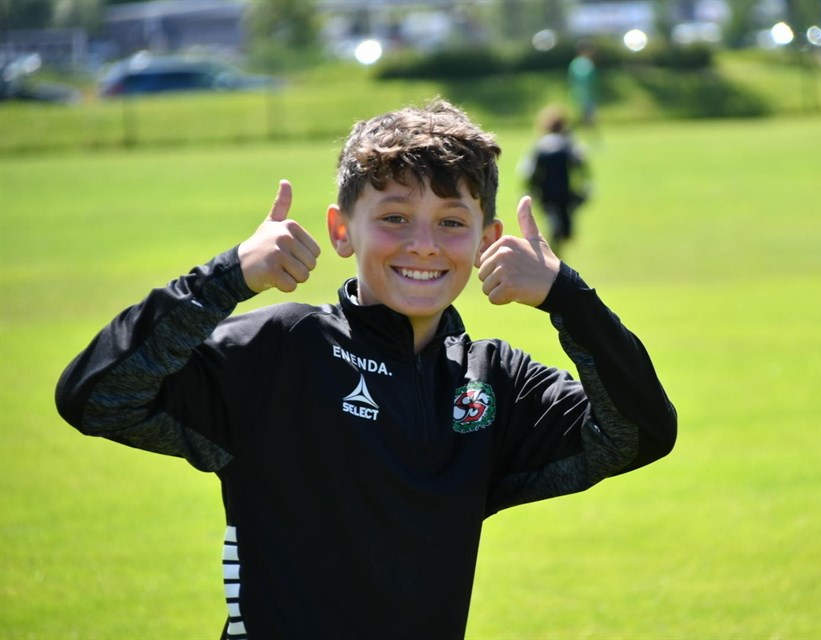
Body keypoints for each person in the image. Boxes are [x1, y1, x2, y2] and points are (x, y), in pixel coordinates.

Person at [55, 99, 676, 639]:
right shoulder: (281, 349)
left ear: (486, 240)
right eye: (394, 217)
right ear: (341, 230)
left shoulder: (492, 383)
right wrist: (226, 277)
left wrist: (568, 297)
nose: (423, 244)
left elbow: (638, 433)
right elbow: (97, 396)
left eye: (451, 223)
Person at [522, 105, 591, 258]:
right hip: (565, 193)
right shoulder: (568, 144)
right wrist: (584, 189)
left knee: (554, 223)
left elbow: (528, 171)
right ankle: (555, 254)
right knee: (564, 229)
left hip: (545, 194)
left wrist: (528, 190)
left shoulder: (540, 145)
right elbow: (580, 164)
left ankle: (552, 252)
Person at [568, 40, 598, 129]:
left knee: (585, 116)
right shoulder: (587, 63)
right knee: (587, 117)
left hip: (578, 93)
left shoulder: (574, 63)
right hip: (586, 94)